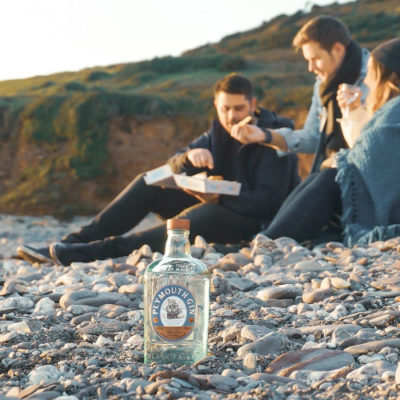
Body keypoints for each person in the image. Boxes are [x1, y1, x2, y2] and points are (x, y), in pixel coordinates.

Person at [18, 73, 300, 265]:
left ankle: (88, 253)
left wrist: (219, 198)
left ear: (253, 104)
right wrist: (190, 156)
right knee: (149, 181)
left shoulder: (275, 133)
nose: (231, 116)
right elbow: (172, 164)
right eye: (225, 109)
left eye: (238, 108)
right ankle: (69, 244)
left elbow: (269, 202)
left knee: (201, 214)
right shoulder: (217, 133)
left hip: (254, 223)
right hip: (218, 205)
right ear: (216, 105)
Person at [256, 37, 400, 246]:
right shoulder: (390, 108)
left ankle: (268, 243)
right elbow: (371, 148)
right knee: (323, 179)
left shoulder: (395, 110)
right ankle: (268, 239)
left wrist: (340, 161)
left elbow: (374, 155)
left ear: (390, 75)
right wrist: (353, 111)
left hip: (391, 206)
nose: (367, 80)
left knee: (329, 178)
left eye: (372, 72)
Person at [230, 15, 370, 173]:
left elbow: (381, 143)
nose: (310, 68)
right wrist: (265, 135)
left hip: (367, 178)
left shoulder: (377, 78)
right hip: (331, 172)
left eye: (316, 59)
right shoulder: (322, 84)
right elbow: (312, 137)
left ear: (338, 49)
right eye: (307, 60)